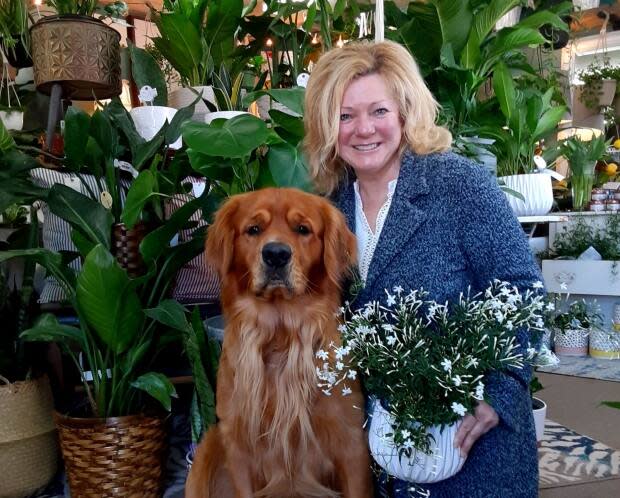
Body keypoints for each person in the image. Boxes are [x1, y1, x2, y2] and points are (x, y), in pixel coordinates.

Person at [303, 40, 542, 498]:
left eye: (378, 111)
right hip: (380, 459)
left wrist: (501, 392)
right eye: (344, 115)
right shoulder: (329, 209)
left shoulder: (459, 186)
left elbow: (522, 290)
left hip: (474, 453)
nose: (362, 129)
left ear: (405, 111)